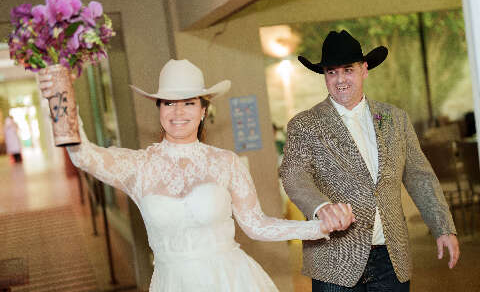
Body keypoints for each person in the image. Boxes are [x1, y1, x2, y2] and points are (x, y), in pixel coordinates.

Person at [38, 59, 354, 292]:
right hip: (173, 282)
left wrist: (316, 226)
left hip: (232, 281)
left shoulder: (226, 162)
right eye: (169, 104)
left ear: (203, 111)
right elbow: (83, 154)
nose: (178, 113)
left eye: (189, 103)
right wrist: (59, 99)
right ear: (159, 109)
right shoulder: (138, 167)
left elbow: (256, 224)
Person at [279, 30, 459, 291]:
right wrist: (320, 207)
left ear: (364, 69)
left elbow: (420, 176)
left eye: (348, 70)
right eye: (331, 72)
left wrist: (443, 227)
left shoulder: (394, 118)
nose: (340, 80)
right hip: (335, 262)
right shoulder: (305, 124)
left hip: (391, 259)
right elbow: (294, 175)